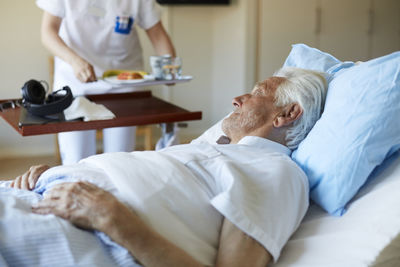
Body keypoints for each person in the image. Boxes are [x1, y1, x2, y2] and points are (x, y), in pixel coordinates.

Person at [4, 67, 327, 266]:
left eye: (257, 94)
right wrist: (51, 175)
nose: (237, 99)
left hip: (81, 232)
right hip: (38, 196)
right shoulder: (214, 150)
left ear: (286, 115)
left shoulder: (277, 171)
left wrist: (111, 217)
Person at [37, 0, 176, 165]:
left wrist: (170, 69)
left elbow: (157, 33)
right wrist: (74, 61)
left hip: (123, 85)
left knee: (119, 161)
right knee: (76, 161)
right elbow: (48, 32)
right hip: (74, 82)